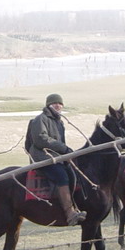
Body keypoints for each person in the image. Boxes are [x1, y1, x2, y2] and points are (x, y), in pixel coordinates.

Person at [26, 93, 87, 225]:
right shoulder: (40, 119)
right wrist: (64, 148)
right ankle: (69, 213)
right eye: (55, 103)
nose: (58, 105)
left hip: (55, 157)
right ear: (49, 105)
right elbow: (40, 139)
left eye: (60, 104)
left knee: (72, 174)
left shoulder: (59, 122)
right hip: (42, 157)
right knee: (61, 176)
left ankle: (73, 206)